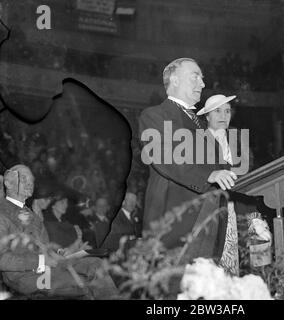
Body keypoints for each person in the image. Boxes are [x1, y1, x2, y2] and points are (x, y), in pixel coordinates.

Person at [138, 58, 237, 262]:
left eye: (202, 78)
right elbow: (164, 156)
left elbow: (223, 168)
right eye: (195, 77)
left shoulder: (202, 124)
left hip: (210, 219)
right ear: (174, 80)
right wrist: (209, 175)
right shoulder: (155, 115)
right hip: (174, 226)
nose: (202, 83)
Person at [0, 164, 118, 299]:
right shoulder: (2, 212)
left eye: (32, 180)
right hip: (24, 276)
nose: (30, 183)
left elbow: (44, 247)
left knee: (96, 264)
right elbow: (2, 259)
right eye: (24, 179)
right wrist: (41, 261)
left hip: (48, 267)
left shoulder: (32, 216)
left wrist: (59, 252)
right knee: (87, 284)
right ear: (8, 183)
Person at [196, 94, 239, 275]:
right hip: (207, 213)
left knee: (230, 268)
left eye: (227, 111)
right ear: (207, 116)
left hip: (232, 212)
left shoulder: (236, 141)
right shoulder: (197, 140)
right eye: (218, 111)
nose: (224, 115)